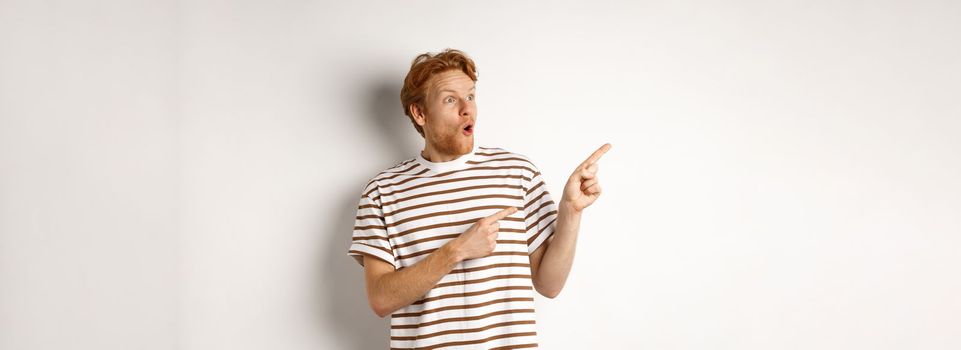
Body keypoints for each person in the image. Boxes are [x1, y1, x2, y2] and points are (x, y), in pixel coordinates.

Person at [347, 48, 610, 349]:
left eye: (470, 96)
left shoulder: (516, 173)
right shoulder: (383, 191)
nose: (466, 109)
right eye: (450, 100)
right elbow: (381, 300)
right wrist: (456, 251)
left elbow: (549, 285)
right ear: (420, 114)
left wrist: (571, 211)